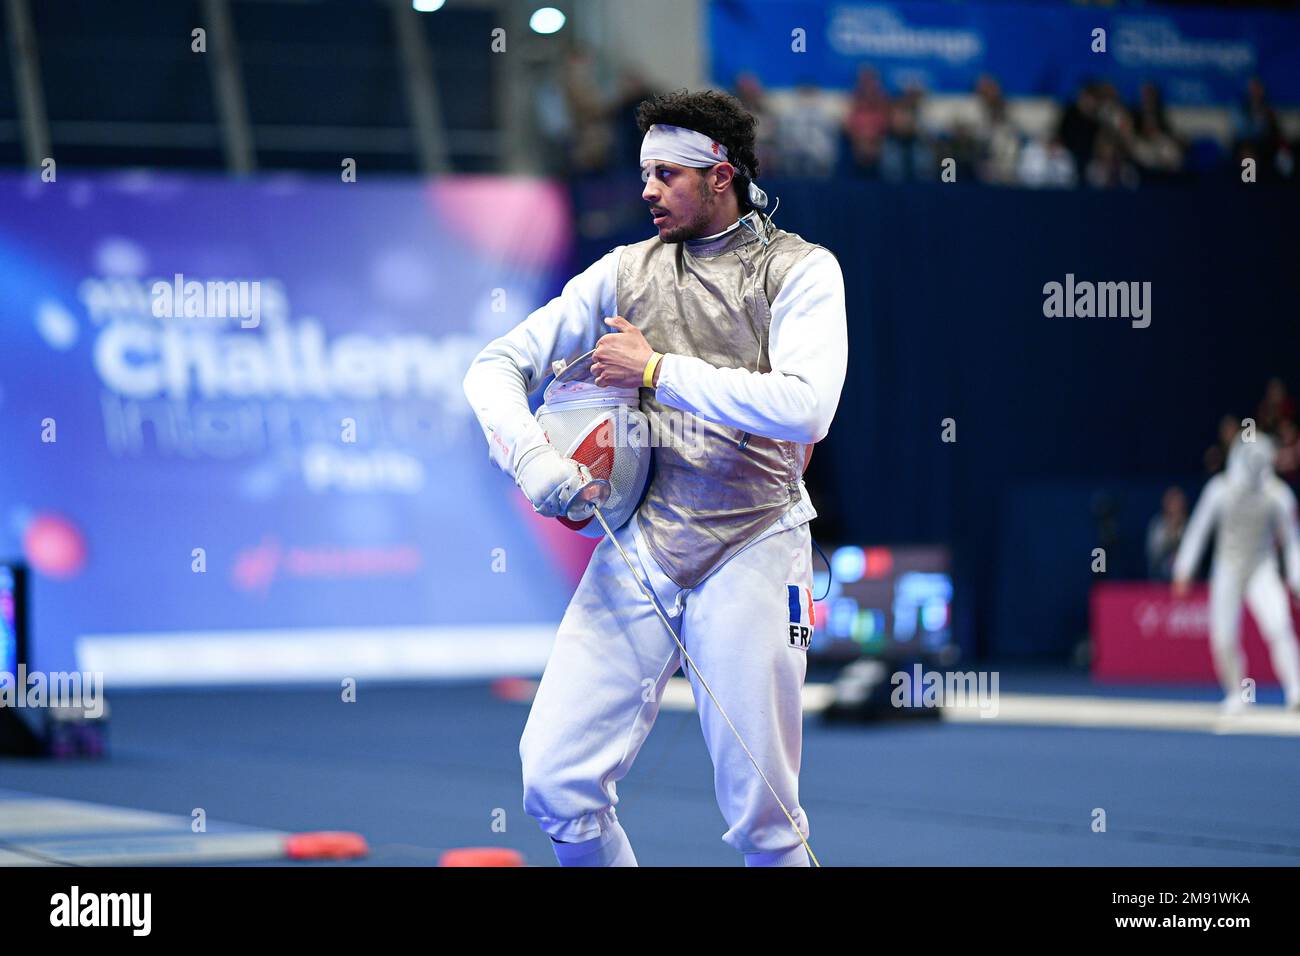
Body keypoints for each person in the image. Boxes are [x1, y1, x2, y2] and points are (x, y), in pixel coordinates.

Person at [463, 88, 848, 866]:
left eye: (666, 173)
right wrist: (532, 457)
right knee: (555, 778)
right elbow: (494, 366)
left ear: (722, 174)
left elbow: (807, 408)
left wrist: (658, 368)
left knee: (766, 819)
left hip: (755, 543)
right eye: (643, 173)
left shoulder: (800, 272)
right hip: (640, 544)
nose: (645, 190)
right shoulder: (622, 272)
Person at [1172, 435, 1300, 713]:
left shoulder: (1279, 496)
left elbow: (1292, 542)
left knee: (1279, 625)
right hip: (1227, 567)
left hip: (1261, 566)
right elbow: (1198, 530)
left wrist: (1296, 578)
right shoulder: (1219, 490)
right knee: (1223, 637)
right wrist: (1184, 568)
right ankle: (1237, 694)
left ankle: (1295, 690)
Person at [1146, 486, 1187, 581]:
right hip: (1161, 578)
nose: (1176, 506)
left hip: (1185, 578)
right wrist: (1170, 531)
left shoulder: (1190, 526)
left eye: (1178, 502)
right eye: (1173, 502)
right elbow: (1154, 554)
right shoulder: (1157, 525)